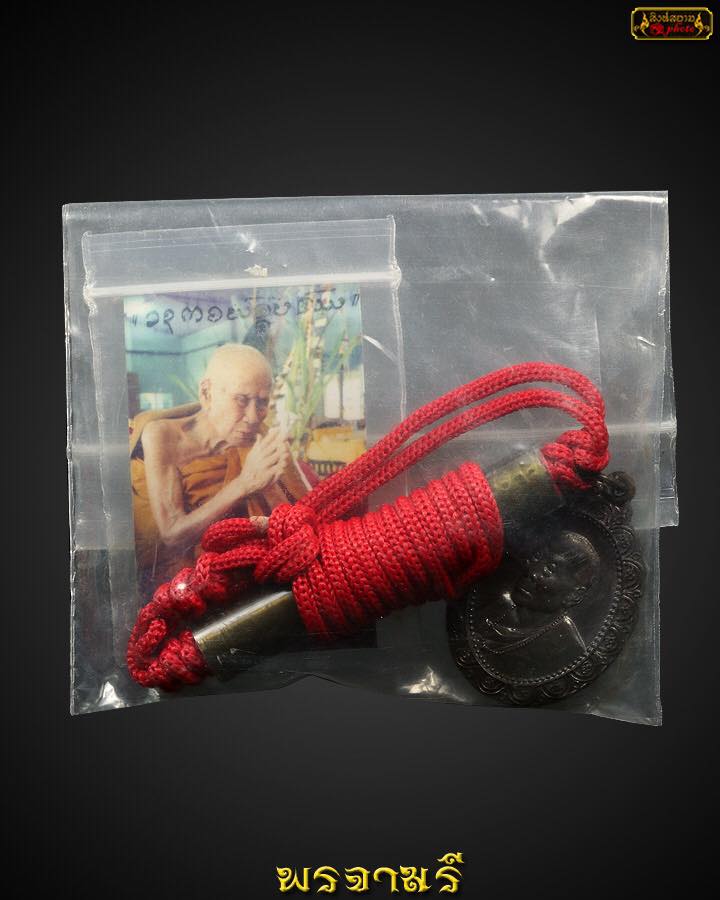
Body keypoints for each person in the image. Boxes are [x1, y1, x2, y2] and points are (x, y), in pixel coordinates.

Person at [130, 343, 315, 596]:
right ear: (207, 394)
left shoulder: (261, 438)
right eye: (242, 400)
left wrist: (269, 483)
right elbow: (172, 534)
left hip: (248, 575)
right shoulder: (164, 436)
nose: (253, 417)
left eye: (262, 402)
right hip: (181, 584)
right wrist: (244, 484)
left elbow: (307, 516)